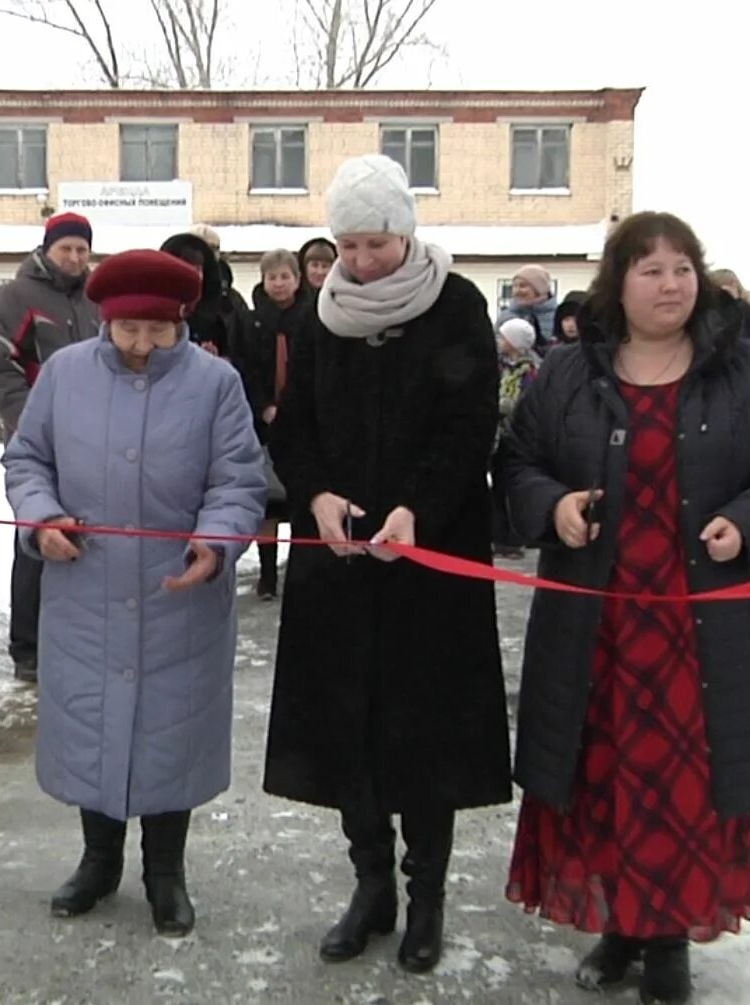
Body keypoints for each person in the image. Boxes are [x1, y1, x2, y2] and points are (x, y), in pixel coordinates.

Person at [501, 211, 750, 1005]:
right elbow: (517, 463)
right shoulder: (570, 373)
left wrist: (748, 519)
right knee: (603, 775)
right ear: (620, 282)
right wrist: (554, 505)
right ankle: (620, 923)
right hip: (595, 627)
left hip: (699, 628)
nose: (670, 283)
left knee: (681, 785)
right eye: (651, 269)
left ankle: (669, 937)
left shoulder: (743, 368)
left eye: (682, 267)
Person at [263, 153, 511, 974]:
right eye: (348, 246)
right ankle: (371, 886)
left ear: (405, 232)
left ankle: (426, 894)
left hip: (427, 554)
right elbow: (292, 427)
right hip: (338, 557)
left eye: (374, 244)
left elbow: (471, 422)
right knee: (348, 729)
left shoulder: (456, 305)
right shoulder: (318, 317)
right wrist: (316, 495)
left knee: (423, 731)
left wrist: (419, 509)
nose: (361, 262)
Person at [2, 249, 267, 938]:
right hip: (86, 587)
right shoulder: (63, 376)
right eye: (129, 332)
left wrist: (216, 542)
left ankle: (165, 871)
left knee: (167, 734)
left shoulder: (216, 383)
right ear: (105, 323)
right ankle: (98, 860)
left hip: (178, 591)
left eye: (159, 331)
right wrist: (41, 518)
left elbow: (239, 479)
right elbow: (27, 459)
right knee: (93, 725)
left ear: (181, 321)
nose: (144, 345)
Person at [0, 213, 101, 683]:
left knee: (85, 533)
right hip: (37, 443)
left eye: (81, 250)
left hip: (92, 439)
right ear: (47, 248)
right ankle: (26, 646)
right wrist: (34, 420)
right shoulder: (19, 295)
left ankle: (76, 635)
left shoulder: (96, 299)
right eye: (65, 248)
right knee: (36, 535)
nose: (74, 258)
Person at [242, 248, 310, 599]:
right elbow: (247, 371)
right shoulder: (253, 323)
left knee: (301, 498)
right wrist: (265, 407)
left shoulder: (312, 319)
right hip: (263, 424)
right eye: (272, 277)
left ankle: (299, 570)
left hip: (304, 425)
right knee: (266, 502)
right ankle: (267, 575)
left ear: (297, 281)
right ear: (263, 281)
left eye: (286, 276)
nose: (279, 284)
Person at [492, 317, 541, 559]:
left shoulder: (531, 370)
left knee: (512, 489)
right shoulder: (498, 366)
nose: (500, 341)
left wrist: (506, 406)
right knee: (497, 488)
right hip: (497, 436)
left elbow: (528, 402)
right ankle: (498, 535)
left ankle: (513, 539)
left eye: (504, 337)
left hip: (517, 436)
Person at [160, 232, 249, 359]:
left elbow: (237, 352)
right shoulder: (154, 310)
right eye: (186, 268)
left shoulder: (225, 305)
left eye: (197, 269)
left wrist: (214, 360)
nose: (192, 275)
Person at [496, 264, 560, 352]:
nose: (517, 291)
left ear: (539, 289)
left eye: (523, 286)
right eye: (514, 286)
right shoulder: (505, 317)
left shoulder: (558, 316)